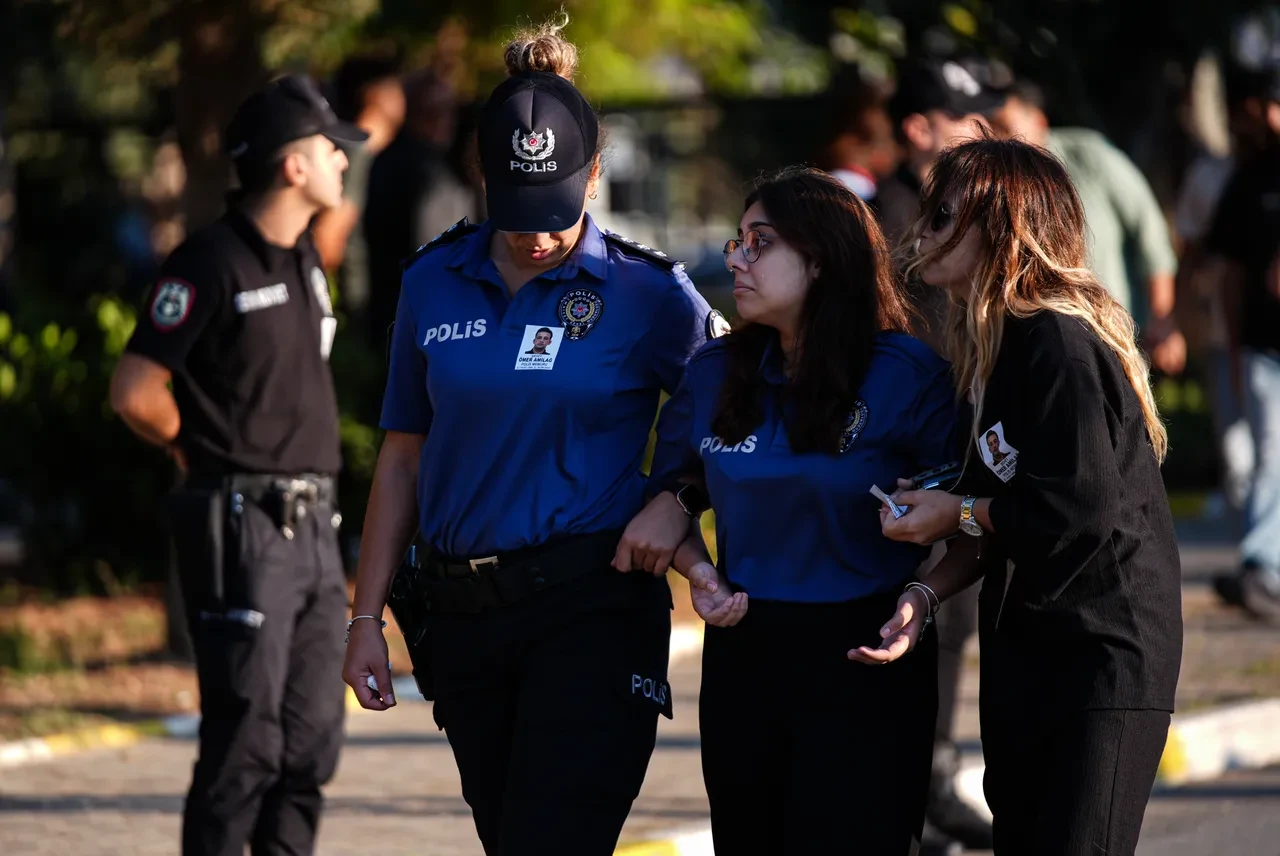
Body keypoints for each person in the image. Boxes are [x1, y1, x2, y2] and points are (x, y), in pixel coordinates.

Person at [340, 19, 718, 855]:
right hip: (464, 620)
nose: (537, 234)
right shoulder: (432, 279)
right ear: (481, 177)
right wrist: (365, 617)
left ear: (592, 176)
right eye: (515, 210)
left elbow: (733, 401)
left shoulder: (648, 292)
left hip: (591, 606)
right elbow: (402, 457)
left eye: (555, 209)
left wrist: (678, 498)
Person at [856, 137, 1183, 855]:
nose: (922, 231)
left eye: (945, 215)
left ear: (1002, 227)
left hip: (1100, 658)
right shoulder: (993, 349)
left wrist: (959, 510)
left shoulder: (1057, 344)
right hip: (1031, 655)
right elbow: (991, 515)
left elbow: (1078, 509)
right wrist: (926, 594)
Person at [633, 166, 956, 853]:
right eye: (737, 243)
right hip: (746, 647)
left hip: (865, 651)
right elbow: (673, 494)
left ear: (821, 259)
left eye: (761, 243)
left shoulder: (907, 375)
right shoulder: (714, 371)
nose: (738, 260)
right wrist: (699, 573)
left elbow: (971, 515)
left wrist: (926, 595)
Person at [108, 74, 365, 856]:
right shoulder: (209, 262)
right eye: (331, 150)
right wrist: (193, 449)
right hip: (244, 527)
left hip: (317, 529)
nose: (343, 163)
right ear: (293, 165)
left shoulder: (305, 260)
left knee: (311, 740)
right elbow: (134, 390)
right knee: (245, 743)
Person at [879, 56, 1005, 853]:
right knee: (907, 616)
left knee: (953, 620)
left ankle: (934, 777)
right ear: (918, 127)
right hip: (901, 451)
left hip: (960, 446)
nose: (977, 128)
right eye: (962, 115)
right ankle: (908, 790)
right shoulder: (886, 214)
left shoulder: (967, 210)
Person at [990, 79, 1186, 375]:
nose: (999, 138)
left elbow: (1149, 230)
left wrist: (1162, 317)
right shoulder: (992, 182)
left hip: (1113, 331)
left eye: (1005, 127)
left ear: (1039, 121)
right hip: (1036, 339)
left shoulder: (1089, 154)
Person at [1202, 64, 1280, 621]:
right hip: (1263, 343)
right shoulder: (1252, 177)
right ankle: (1262, 566)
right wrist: (1231, 342)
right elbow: (1227, 268)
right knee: (1269, 454)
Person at [363, 66, 478, 350]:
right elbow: (435, 251)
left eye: (448, 110)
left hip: (393, 316)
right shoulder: (429, 173)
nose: (445, 121)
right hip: (427, 321)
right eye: (436, 111)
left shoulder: (386, 160)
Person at [311, 55, 406, 318]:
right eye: (396, 87)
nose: (403, 96)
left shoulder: (377, 152)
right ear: (376, 96)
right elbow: (328, 239)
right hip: (357, 313)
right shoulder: (355, 156)